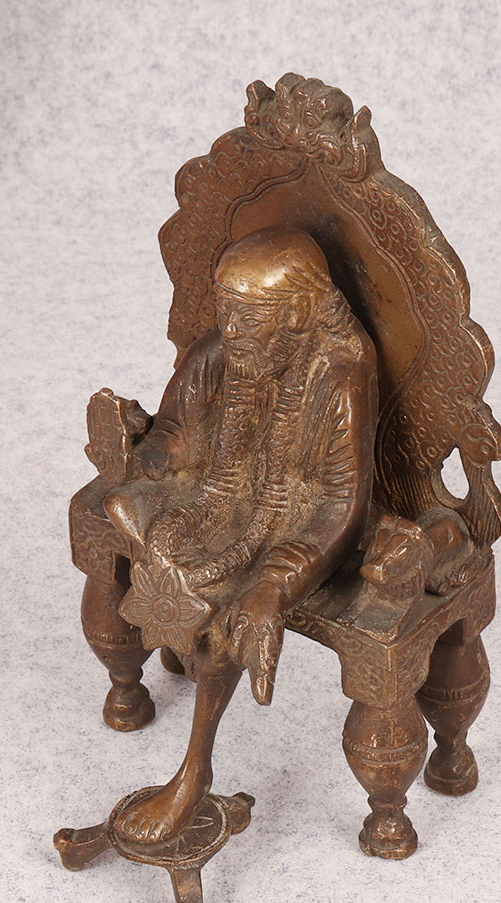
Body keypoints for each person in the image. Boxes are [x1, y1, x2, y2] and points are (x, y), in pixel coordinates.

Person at [102, 225, 377, 842]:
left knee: (233, 603)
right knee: (122, 504)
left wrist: (276, 585)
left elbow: (340, 504)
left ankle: (194, 770)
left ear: (299, 314)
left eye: (249, 318)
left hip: (304, 526)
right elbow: (179, 431)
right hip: (217, 497)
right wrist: (147, 454)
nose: (231, 331)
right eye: (225, 313)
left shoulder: (341, 373)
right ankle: (141, 669)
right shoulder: (224, 350)